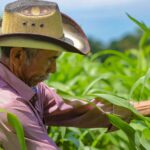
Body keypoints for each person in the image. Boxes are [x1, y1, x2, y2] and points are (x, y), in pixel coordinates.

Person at [0, 0, 150, 150]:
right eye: (51, 59)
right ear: (18, 55)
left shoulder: (32, 88)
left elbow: (77, 111)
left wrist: (140, 108)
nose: (54, 69)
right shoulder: (9, 106)